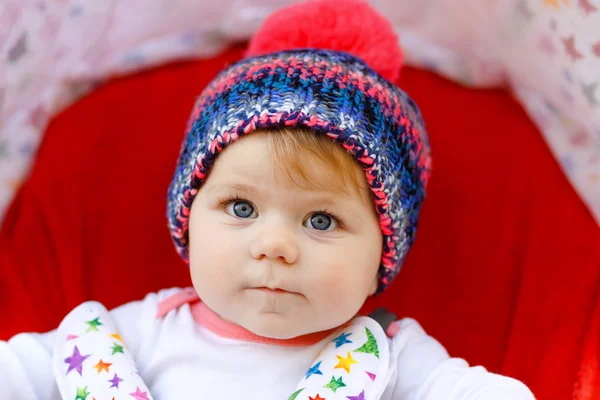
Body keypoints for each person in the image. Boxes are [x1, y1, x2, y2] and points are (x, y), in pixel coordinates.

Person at [0, 1, 536, 399]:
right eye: (241, 208)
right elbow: (22, 370)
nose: (275, 245)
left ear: (383, 254)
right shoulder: (143, 330)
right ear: (187, 221)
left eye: (321, 219)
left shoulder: (392, 357)